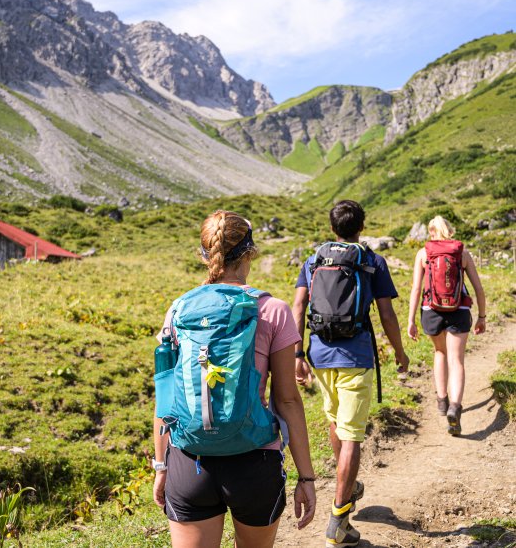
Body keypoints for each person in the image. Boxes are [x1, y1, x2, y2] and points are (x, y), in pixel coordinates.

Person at [152, 210, 316, 548]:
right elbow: (287, 400)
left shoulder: (178, 310)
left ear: (204, 255)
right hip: (254, 462)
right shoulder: (272, 310)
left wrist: (161, 466)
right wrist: (306, 476)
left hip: (189, 462)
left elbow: (165, 396)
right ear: (250, 253)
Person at [292, 199, 409, 547]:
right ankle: (338, 521)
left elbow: (298, 305)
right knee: (353, 436)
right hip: (356, 355)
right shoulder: (372, 260)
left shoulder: (314, 259)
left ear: (332, 228)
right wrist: (400, 353)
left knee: (336, 422)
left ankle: (348, 486)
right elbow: (387, 315)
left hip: (319, 354)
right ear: (361, 227)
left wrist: (298, 353)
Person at [408, 215, 486, 436]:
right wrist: (482, 316)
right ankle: (455, 406)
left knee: (440, 352)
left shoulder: (423, 254)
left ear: (431, 232)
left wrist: (411, 320)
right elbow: (478, 289)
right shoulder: (462, 254)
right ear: (450, 231)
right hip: (459, 310)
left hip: (430, 311)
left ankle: (442, 400)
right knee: (457, 360)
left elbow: (415, 289)